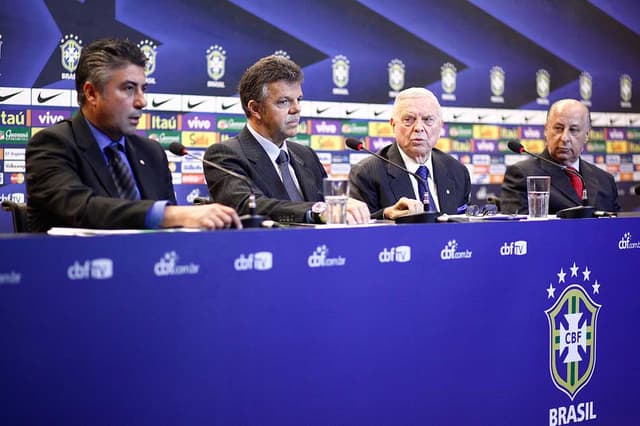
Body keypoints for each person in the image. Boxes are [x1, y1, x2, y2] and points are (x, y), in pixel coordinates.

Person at [26, 38, 241, 232]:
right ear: (91, 93)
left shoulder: (151, 152)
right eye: (128, 89)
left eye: (143, 89)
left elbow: (171, 232)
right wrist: (169, 214)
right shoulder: (52, 145)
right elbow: (82, 209)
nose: (141, 102)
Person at [203, 55, 369, 224]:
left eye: (299, 99)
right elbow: (246, 205)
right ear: (255, 108)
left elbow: (330, 210)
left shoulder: (306, 155)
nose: (296, 109)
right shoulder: (225, 155)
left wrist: (382, 214)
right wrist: (316, 211)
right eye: (284, 102)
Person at [349, 87, 470, 219]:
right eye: (408, 119)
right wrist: (385, 215)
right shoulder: (367, 173)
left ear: (440, 126)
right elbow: (361, 228)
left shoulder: (457, 171)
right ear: (393, 124)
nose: (418, 128)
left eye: (428, 119)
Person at [500, 99, 620, 214]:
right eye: (558, 128)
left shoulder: (605, 180)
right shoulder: (522, 175)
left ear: (587, 135)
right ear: (546, 130)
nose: (564, 138)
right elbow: (518, 231)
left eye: (573, 130)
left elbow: (617, 228)